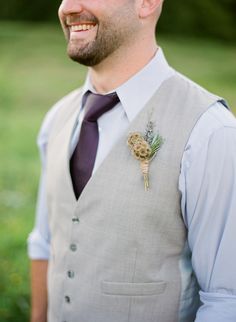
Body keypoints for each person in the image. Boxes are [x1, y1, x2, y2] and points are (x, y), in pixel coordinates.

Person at [28, 0, 236, 321]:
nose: (67, 7)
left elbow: (226, 298)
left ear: (147, 3)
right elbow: (44, 243)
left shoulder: (210, 132)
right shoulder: (57, 118)